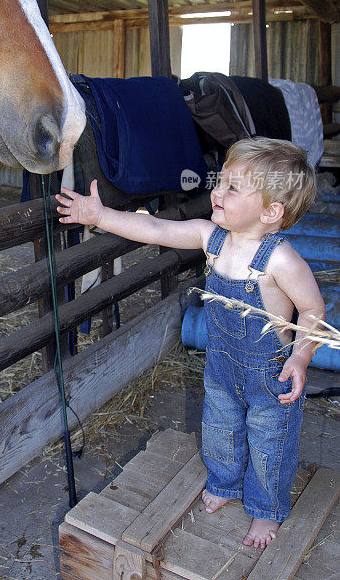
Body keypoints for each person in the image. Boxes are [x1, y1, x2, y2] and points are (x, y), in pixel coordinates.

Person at [55, 137, 325, 550]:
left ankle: (266, 509)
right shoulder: (210, 238)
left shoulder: (281, 260)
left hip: (270, 376)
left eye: (233, 187)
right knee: (219, 430)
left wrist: (301, 357)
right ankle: (224, 483)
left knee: (270, 443)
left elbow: (312, 311)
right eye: (221, 181)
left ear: (271, 211)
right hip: (221, 365)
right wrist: (101, 215)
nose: (216, 191)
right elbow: (156, 228)